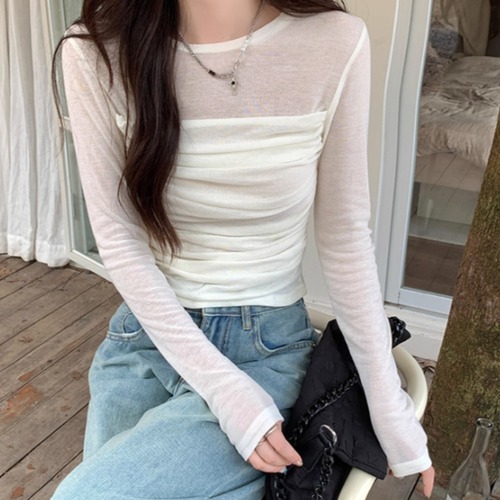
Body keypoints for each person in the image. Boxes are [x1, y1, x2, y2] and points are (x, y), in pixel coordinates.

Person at [52, 0, 435, 498]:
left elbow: (344, 237)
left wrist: (389, 406)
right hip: (149, 338)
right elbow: (119, 237)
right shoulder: (96, 50)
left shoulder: (336, 42)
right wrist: (227, 393)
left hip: (268, 350)